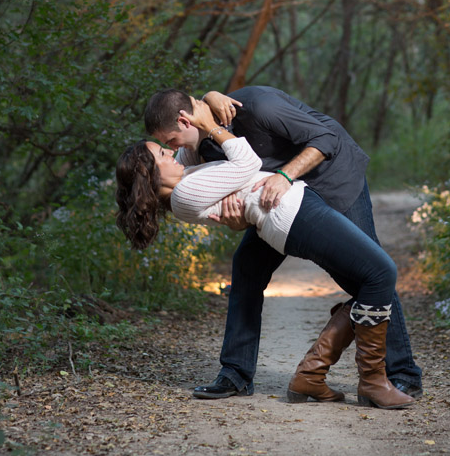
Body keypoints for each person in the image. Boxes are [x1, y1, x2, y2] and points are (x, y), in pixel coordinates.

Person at [116, 96, 414, 410]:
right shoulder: (189, 172)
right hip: (287, 209)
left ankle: (395, 374)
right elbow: (233, 171)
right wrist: (211, 127)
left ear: (185, 121)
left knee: (370, 279)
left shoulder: (257, 107)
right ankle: (244, 373)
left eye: (169, 142)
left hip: (332, 179)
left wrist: (207, 106)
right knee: (375, 275)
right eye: (164, 149)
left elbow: (325, 138)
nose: (173, 150)